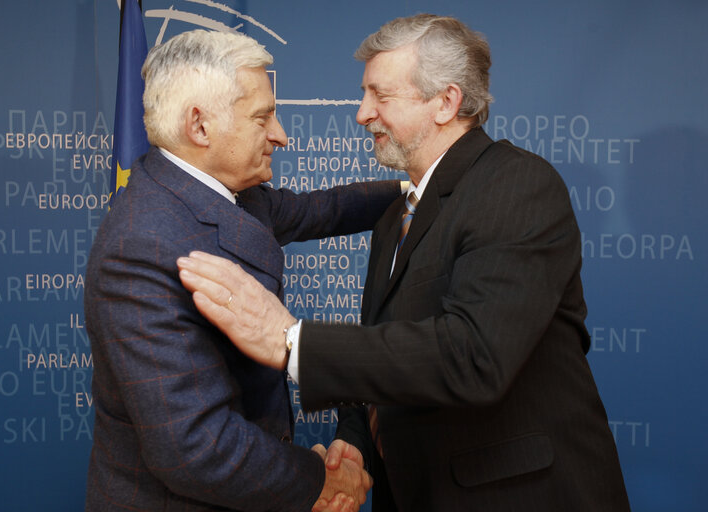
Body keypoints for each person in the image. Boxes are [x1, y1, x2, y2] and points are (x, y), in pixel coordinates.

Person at [176, 14, 631, 512]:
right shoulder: (399, 215)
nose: (362, 113)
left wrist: (291, 341)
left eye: (380, 96)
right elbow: (390, 341)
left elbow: (473, 356)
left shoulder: (517, 185)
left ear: (446, 102)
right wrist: (355, 438)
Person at [84, 29, 401, 512]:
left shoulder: (234, 195)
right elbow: (196, 448)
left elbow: (329, 208)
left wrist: (421, 185)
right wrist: (318, 481)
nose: (280, 134)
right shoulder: (140, 246)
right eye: (262, 117)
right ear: (200, 126)